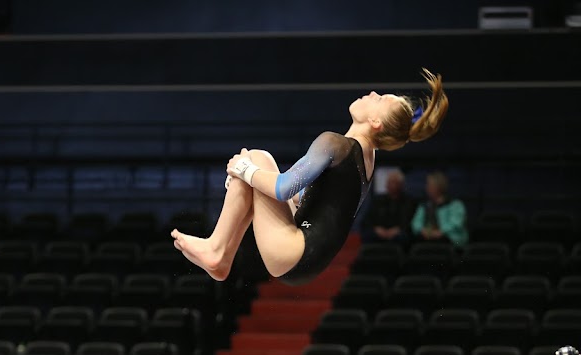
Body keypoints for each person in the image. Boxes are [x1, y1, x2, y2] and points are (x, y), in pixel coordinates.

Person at [171, 69, 448, 285]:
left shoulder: (334, 144)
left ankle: (218, 251)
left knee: (255, 160)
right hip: (307, 260)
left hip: (293, 251)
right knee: (260, 162)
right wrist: (247, 184)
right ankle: (220, 254)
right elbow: (306, 199)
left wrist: (244, 171)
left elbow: (283, 188)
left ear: (376, 123)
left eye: (380, 100)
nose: (373, 93)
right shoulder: (367, 158)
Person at [410, 170, 467, 247]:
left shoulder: (455, 204)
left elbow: (456, 224)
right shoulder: (424, 206)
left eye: (429, 185)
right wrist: (422, 231)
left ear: (438, 186)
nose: (426, 187)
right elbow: (415, 223)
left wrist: (440, 232)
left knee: (441, 242)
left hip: (453, 240)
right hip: (428, 237)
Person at [361, 169, 417, 244]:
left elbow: (410, 221)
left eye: (394, 182)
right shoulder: (378, 200)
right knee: (367, 235)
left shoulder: (409, 202)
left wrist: (398, 229)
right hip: (380, 232)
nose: (390, 185)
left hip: (399, 233)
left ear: (401, 185)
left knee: (404, 237)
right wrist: (377, 229)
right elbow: (367, 220)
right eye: (389, 182)